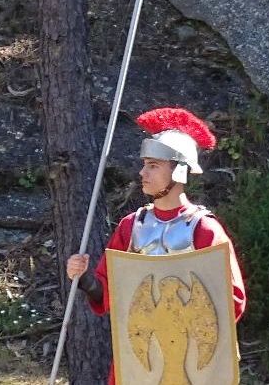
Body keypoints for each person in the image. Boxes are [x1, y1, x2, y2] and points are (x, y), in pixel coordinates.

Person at [64, 107, 246, 385]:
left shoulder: (204, 229)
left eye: (153, 165)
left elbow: (230, 301)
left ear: (179, 171)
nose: (142, 172)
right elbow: (108, 291)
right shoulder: (131, 226)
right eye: (144, 164)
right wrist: (84, 277)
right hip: (140, 362)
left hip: (191, 364)